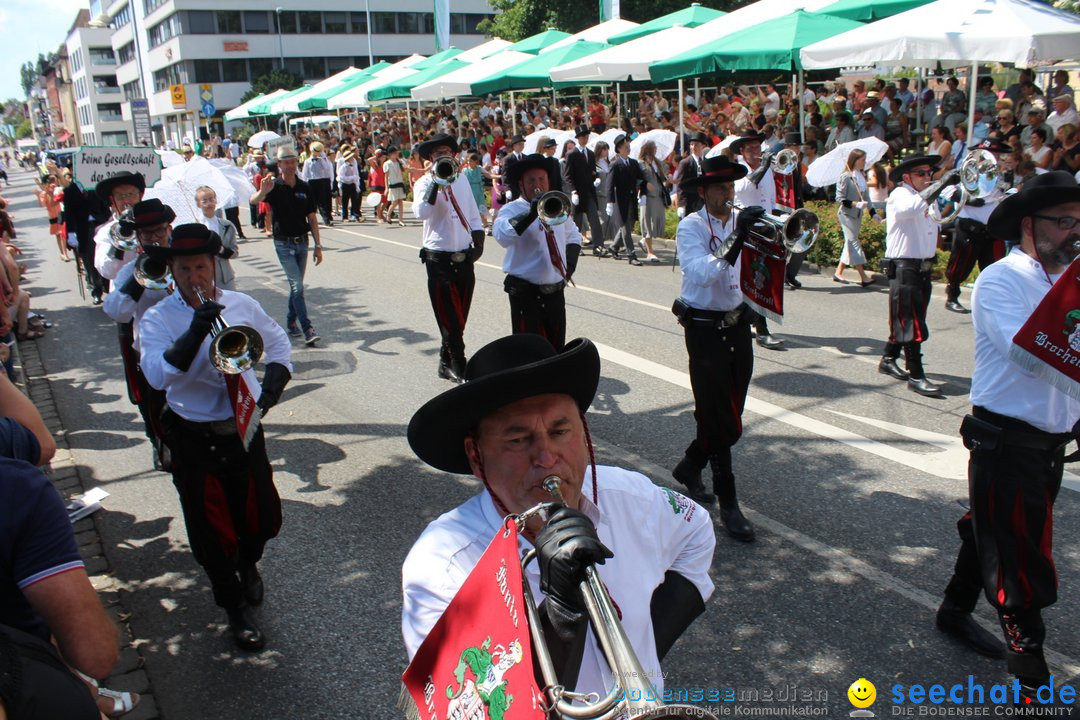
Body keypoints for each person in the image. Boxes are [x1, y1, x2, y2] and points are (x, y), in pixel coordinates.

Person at [402, 333, 716, 698]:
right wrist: (560, 612)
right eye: (518, 440)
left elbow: (697, 530)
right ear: (476, 455)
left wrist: (643, 657)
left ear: (583, 433)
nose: (547, 458)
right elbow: (470, 703)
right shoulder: (442, 566)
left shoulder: (632, 497)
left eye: (560, 431)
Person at [936, 171, 1080, 704]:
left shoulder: (1067, 279)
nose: (1074, 232)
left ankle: (953, 609)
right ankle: (1032, 685)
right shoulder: (1001, 280)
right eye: (1064, 221)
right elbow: (1034, 352)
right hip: (1006, 440)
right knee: (1019, 558)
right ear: (1030, 224)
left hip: (1048, 443)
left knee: (990, 528)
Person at [138, 223, 292, 652]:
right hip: (193, 435)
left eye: (201, 267)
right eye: (184, 269)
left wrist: (270, 394)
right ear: (172, 270)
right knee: (210, 530)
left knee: (259, 516)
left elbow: (278, 345)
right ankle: (233, 609)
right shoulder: (158, 318)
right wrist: (194, 331)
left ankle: (250, 563)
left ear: (214, 266)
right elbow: (156, 375)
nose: (194, 277)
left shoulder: (241, 305)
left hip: (243, 429)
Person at [670, 155, 762, 541]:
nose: (728, 194)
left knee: (732, 415)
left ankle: (690, 465)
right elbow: (703, 273)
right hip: (704, 329)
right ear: (703, 192)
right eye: (721, 188)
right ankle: (729, 502)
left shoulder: (743, 223)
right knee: (718, 416)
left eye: (731, 187)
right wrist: (738, 236)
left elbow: (757, 271)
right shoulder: (690, 227)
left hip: (737, 324)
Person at [102, 199, 176, 469]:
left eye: (159, 231)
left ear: (169, 229)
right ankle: (161, 446)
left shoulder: (186, 260)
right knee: (155, 410)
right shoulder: (129, 272)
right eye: (147, 234)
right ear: (139, 238)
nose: (155, 238)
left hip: (189, 348)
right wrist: (139, 278)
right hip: (151, 353)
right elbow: (116, 311)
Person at [412, 134, 485, 383]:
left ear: (453, 155)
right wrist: (436, 183)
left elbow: (473, 214)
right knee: (449, 316)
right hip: (438, 259)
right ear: (430, 159)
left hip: (464, 256)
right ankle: (459, 364)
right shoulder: (423, 183)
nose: (442, 156)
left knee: (460, 316)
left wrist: (479, 243)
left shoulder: (462, 180)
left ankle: (445, 361)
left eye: (446, 152)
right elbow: (421, 212)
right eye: (436, 153)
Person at [492, 154, 582, 351]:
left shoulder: (556, 205)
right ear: (521, 184)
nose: (537, 184)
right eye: (531, 180)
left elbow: (574, 236)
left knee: (555, 347)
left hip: (555, 292)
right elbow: (502, 236)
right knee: (529, 351)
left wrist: (569, 268)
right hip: (526, 293)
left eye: (542, 179)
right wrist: (531, 213)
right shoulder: (511, 209)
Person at [878, 156, 944, 397]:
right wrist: (937, 187)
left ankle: (888, 358)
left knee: (912, 316)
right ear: (907, 177)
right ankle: (916, 374)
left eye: (931, 173)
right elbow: (910, 210)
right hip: (904, 266)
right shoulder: (900, 195)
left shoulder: (925, 197)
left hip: (922, 267)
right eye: (922, 173)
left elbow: (938, 221)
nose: (928, 177)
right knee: (911, 321)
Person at [250, 145, 324, 347]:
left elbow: (312, 218)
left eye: (293, 161)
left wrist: (318, 245)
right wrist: (262, 191)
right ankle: (307, 327)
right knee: (297, 286)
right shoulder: (274, 186)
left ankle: (291, 321)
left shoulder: (304, 187)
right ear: (279, 165)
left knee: (296, 287)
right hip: (283, 243)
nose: (290, 165)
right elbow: (253, 200)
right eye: (286, 162)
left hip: (302, 242)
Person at [943, 139, 1010, 314]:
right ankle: (952, 296)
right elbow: (949, 191)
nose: (994, 157)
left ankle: (990, 301)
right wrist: (969, 200)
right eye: (990, 154)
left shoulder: (1002, 175)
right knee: (961, 264)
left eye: (996, 153)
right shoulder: (970, 172)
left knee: (993, 266)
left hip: (993, 229)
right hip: (970, 228)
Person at [731, 131, 782, 349]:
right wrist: (764, 167)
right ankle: (762, 330)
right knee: (752, 277)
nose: (755, 152)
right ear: (741, 152)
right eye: (750, 148)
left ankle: (747, 319)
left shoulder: (767, 172)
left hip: (766, 228)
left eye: (757, 147)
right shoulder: (738, 171)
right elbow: (744, 187)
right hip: (747, 230)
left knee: (762, 277)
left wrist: (779, 222)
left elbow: (770, 199)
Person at [563, 124, 608, 258]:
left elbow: (592, 171)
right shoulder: (571, 154)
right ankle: (575, 246)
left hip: (589, 192)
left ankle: (598, 246)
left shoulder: (589, 153)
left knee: (594, 219)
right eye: (583, 136)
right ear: (578, 138)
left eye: (586, 136)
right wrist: (573, 191)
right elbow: (567, 175)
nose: (585, 138)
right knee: (576, 222)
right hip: (578, 192)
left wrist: (595, 179)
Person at [833, 149, 875, 286]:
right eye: (862, 159)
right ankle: (863, 276)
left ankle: (838, 272)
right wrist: (855, 204)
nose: (864, 162)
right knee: (853, 242)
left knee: (849, 243)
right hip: (846, 214)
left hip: (857, 215)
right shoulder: (845, 176)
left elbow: (867, 197)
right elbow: (840, 198)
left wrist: (873, 212)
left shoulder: (860, 176)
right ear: (855, 160)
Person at [606, 134, 645, 265]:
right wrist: (609, 202)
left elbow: (641, 178)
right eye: (625, 146)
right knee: (625, 228)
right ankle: (631, 255)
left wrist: (642, 192)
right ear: (619, 149)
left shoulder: (633, 163)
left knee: (629, 225)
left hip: (632, 199)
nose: (628, 148)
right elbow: (610, 184)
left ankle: (613, 247)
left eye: (628, 146)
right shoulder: (615, 164)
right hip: (620, 201)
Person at [194, 186, 239, 291]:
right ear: (198, 204)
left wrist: (221, 249)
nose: (209, 203)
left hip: (225, 278)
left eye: (211, 199)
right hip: (203, 276)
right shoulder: (196, 226)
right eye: (204, 201)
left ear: (216, 200)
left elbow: (235, 252)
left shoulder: (227, 225)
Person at [637, 140, 668, 263]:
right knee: (648, 222)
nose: (655, 149)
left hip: (658, 196)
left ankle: (644, 241)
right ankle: (650, 252)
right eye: (654, 147)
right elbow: (637, 179)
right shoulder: (641, 164)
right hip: (647, 196)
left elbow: (662, 177)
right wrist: (645, 184)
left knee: (657, 220)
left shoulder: (657, 162)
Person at [674, 132, 710, 218]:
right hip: (689, 202)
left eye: (696, 145)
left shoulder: (707, 162)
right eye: (691, 144)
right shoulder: (685, 163)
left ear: (703, 146)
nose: (693, 147)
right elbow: (680, 184)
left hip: (704, 202)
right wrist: (681, 205)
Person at [300, 141, 334, 226]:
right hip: (311, 182)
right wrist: (304, 184)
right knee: (311, 202)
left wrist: (323, 158)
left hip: (321, 181)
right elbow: (305, 173)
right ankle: (310, 219)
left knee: (322, 202)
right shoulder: (307, 161)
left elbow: (327, 168)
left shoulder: (322, 160)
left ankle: (326, 220)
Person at [336, 146, 363, 222]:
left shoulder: (354, 163)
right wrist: (351, 177)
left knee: (355, 200)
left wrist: (357, 185)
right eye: (350, 157)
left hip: (352, 184)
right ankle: (345, 217)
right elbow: (342, 177)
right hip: (345, 184)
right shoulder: (343, 167)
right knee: (345, 201)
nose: (352, 158)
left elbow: (356, 174)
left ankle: (356, 215)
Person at [383, 146, 407, 227]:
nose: (397, 154)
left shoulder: (400, 161)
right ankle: (388, 214)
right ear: (390, 154)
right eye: (395, 153)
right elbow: (386, 177)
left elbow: (405, 169)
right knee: (394, 202)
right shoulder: (387, 163)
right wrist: (386, 187)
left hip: (400, 183)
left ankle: (401, 220)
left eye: (397, 153)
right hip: (392, 184)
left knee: (400, 202)